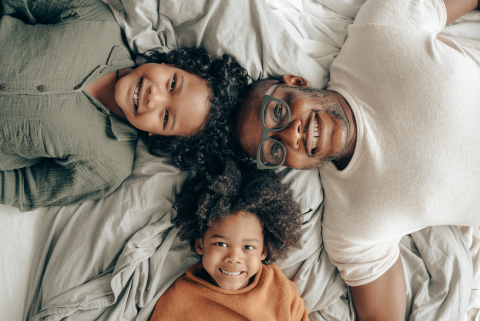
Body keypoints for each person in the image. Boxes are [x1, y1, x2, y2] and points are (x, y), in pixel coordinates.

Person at [233, 0, 480, 319]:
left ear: (296, 82)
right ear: (288, 167)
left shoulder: (378, 32)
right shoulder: (350, 227)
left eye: (278, 111)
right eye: (275, 150)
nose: (291, 134)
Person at [0, 0, 248, 211]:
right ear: (171, 64)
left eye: (165, 117)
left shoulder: (107, 168)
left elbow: (23, 189)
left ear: (158, 135)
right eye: (172, 84)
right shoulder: (96, 21)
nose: (155, 98)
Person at [149, 159, 309, 321]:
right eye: (221, 244)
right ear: (200, 244)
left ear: (264, 250)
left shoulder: (280, 291)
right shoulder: (179, 298)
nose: (233, 257)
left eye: (248, 247)